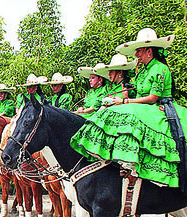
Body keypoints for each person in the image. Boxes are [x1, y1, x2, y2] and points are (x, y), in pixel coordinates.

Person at [71, 28, 186, 188]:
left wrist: (125, 102)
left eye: (139, 51)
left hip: (159, 107)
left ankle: (131, 163)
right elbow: (137, 94)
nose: (136, 54)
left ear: (149, 51)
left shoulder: (160, 68)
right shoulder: (141, 72)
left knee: (128, 114)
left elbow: (153, 98)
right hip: (144, 107)